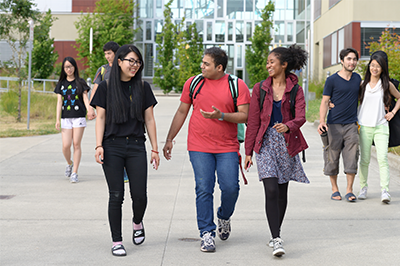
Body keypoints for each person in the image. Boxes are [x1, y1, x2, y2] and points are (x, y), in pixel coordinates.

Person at [162, 47, 250, 252]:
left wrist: (221, 116)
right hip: (199, 145)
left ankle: (224, 216)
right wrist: (169, 139)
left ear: (219, 67)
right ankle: (206, 233)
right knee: (204, 188)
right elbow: (182, 111)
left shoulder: (236, 85)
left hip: (227, 145)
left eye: (206, 64)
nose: (202, 66)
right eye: (202, 62)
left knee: (230, 188)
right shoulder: (194, 83)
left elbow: (244, 115)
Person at [90, 44, 160, 256]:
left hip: (137, 146)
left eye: (138, 62)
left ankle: (137, 222)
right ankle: (117, 241)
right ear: (119, 61)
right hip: (112, 146)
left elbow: (149, 118)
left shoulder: (143, 88)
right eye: (131, 61)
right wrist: (98, 145)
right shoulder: (105, 87)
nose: (135, 65)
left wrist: (155, 149)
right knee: (116, 195)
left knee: (139, 196)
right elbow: (100, 117)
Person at [244, 44, 309, 257]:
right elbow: (253, 121)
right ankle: (277, 238)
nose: (268, 65)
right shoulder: (260, 88)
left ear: (284, 64)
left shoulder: (296, 90)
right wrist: (248, 151)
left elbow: (301, 116)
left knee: (282, 192)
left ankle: (275, 233)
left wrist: (289, 126)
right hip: (265, 143)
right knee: (271, 189)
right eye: (268, 62)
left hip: (287, 143)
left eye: (272, 62)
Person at [317, 48, 361, 202]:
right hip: (333, 124)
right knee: (332, 157)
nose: (352, 62)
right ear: (342, 61)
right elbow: (324, 101)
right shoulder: (332, 80)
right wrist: (322, 120)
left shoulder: (357, 79)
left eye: (354, 59)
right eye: (349, 59)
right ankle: (334, 189)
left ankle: (349, 190)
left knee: (352, 157)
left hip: (351, 125)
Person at [357, 50, 400, 203]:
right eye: (372, 65)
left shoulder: (386, 84)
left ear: (382, 68)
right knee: (365, 160)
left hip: (381, 126)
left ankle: (385, 191)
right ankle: (363, 188)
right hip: (364, 127)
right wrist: (331, 103)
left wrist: (393, 112)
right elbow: (349, 98)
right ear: (369, 66)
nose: (374, 69)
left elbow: (399, 97)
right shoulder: (362, 84)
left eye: (378, 66)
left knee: (382, 159)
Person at [54, 57, 94, 183]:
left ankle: (75, 172)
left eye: (70, 66)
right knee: (66, 146)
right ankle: (69, 163)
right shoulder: (61, 84)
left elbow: (86, 99)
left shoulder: (80, 83)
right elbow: (59, 102)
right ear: (63, 69)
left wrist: (89, 110)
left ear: (75, 67)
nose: (69, 69)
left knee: (76, 144)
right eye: (66, 67)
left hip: (79, 117)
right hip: (66, 118)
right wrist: (57, 120)